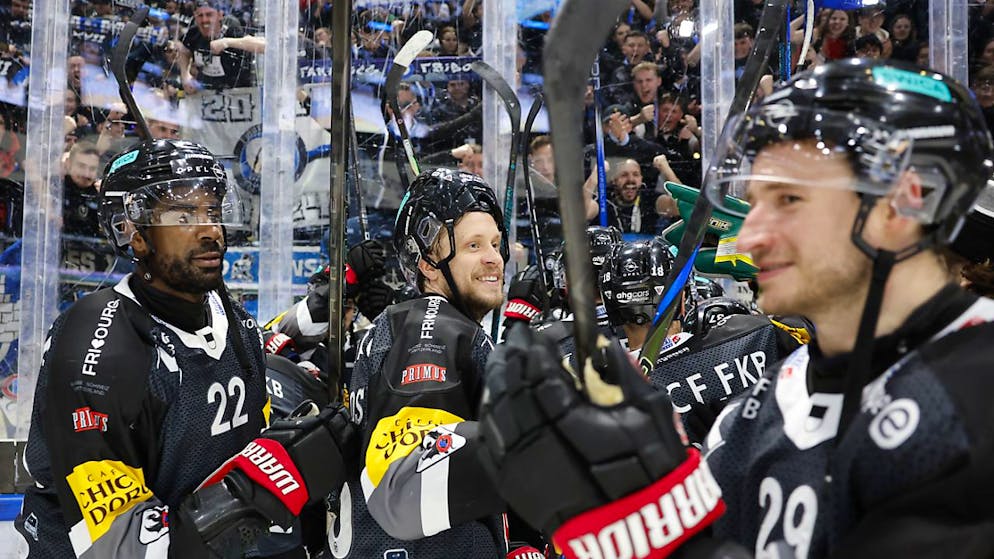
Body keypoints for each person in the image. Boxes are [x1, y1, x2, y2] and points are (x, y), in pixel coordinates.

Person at [478, 58, 994, 558]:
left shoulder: (976, 394)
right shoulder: (765, 405)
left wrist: (654, 524)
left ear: (902, 205)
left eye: (789, 200)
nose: (749, 235)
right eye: (756, 202)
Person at [15, 139, 355, 558]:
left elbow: (238, 403)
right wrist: (264, 486)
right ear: (134, 235)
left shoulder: (223, 310)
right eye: (183, 214)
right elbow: (120, 546)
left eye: (212, 212)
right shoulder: (97, 349)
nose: (210, 230)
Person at [334, 168, 544, 557]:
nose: (494, 259)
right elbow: (407, 491)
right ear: (427, 264)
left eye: (496, 244)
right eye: (473, 246)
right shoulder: (431, 330)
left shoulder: (422, 325)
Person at [175, 0, 261, 93]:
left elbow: (257, 44)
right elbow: (183, 49)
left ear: (220, 15)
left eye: (209, 15)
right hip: (206, 95)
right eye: (200, 16)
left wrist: (227, 42)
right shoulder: (194, 33)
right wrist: (185, 75)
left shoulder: (232, 27)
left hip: (238, 93)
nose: (204, 20)